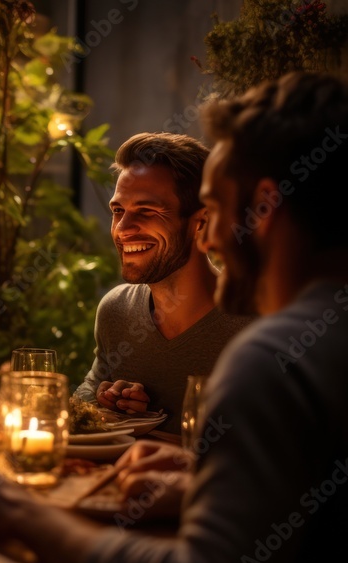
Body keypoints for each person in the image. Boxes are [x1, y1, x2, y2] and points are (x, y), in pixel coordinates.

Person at [0, 72, 348, 563]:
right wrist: (203, 471)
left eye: (219, 209)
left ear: (265, 208)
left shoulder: (266, 358)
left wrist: (20, 512)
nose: (215, 235)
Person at [75, 132, 252, 433]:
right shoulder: (116, 311)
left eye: (147, 211)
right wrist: (112, 408)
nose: (123, 229)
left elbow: (278, 459)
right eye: (118, 211)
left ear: (203, 221)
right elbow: (80, 411)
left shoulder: (253, 324)